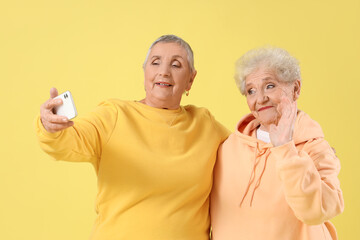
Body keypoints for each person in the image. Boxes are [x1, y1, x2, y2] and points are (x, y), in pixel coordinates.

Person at [35, 35, 230, 240]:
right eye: (155, 63)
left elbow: (247, 152)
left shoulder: (204, 124)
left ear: (190, 79)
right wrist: (51, 126)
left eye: (176, 64)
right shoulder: (115, 115)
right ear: (145, 72)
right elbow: (70, 141)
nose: (164, 71)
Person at [210, 47, 344, 239]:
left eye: (270, 86)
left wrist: (285, 148)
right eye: (251, 91)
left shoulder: (314, 147)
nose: (260, 98)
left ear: (296, 89)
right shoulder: (227, 148)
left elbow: (317, 212)